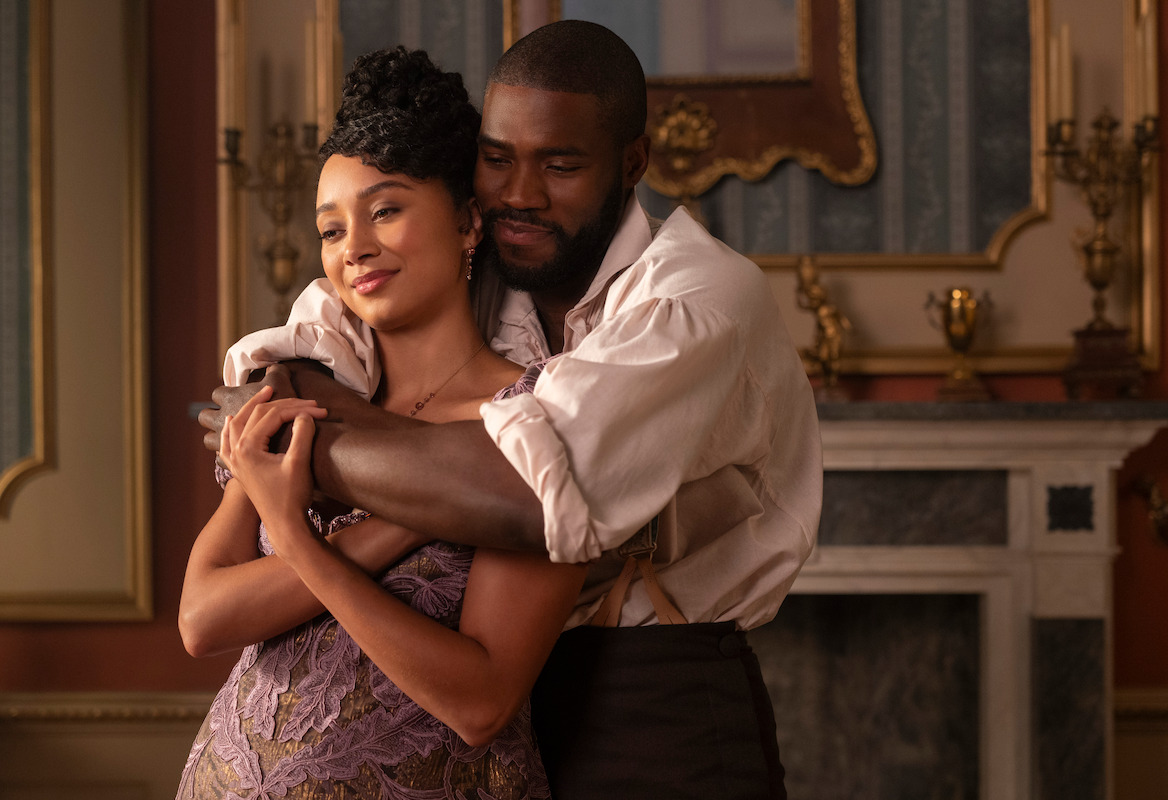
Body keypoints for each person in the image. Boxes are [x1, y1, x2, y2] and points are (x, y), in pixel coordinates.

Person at [201, 20, 823, 799]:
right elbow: (286, 363)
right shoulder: (469, 260)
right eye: (497, 160)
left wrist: (302, 446)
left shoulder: (695, 301)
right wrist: (301, 408)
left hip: (656, 688)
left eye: (560, 165)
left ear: (632, 163)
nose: (520, 194)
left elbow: (526, 498)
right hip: (497, 713)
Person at [177, 46, 585, 800]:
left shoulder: (537, 420)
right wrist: (405, 522)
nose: (355, 249)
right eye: (331, 230)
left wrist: (295, 534)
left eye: (386, 211)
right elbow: (203, 619)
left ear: (467, 221)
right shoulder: (304, 395)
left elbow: (482, 702)